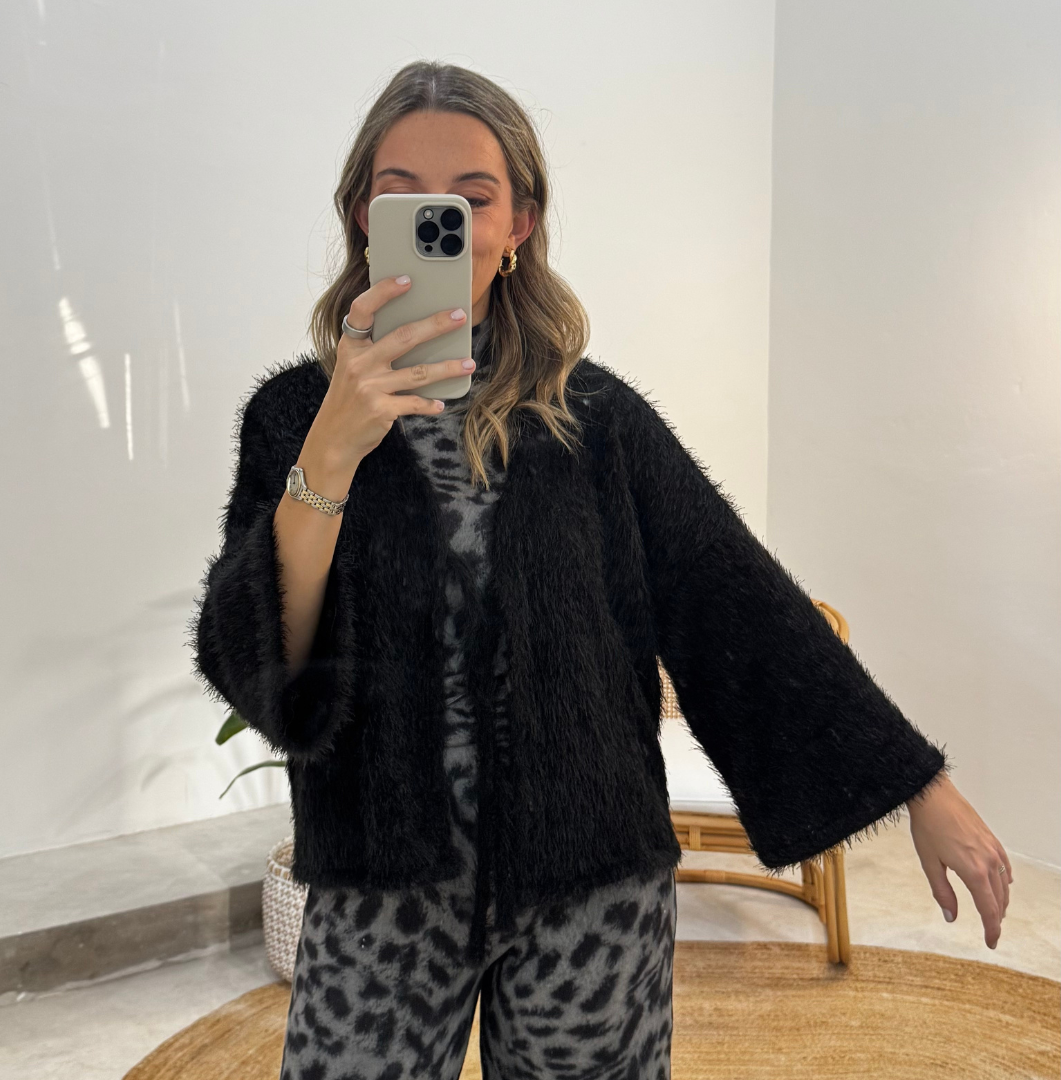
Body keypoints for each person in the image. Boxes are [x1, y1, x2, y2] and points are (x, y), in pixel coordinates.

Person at [192, 60, 1012, 1080]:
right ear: (364, 215)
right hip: (378, 883)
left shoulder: (596, 418)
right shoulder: (294, 418)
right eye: (402, 194)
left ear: (519, 224)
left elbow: (733, 599)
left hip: (591, 888)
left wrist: (920, 784)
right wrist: (329, 456)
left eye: (471, 198)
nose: (438, 220)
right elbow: (263, 667)